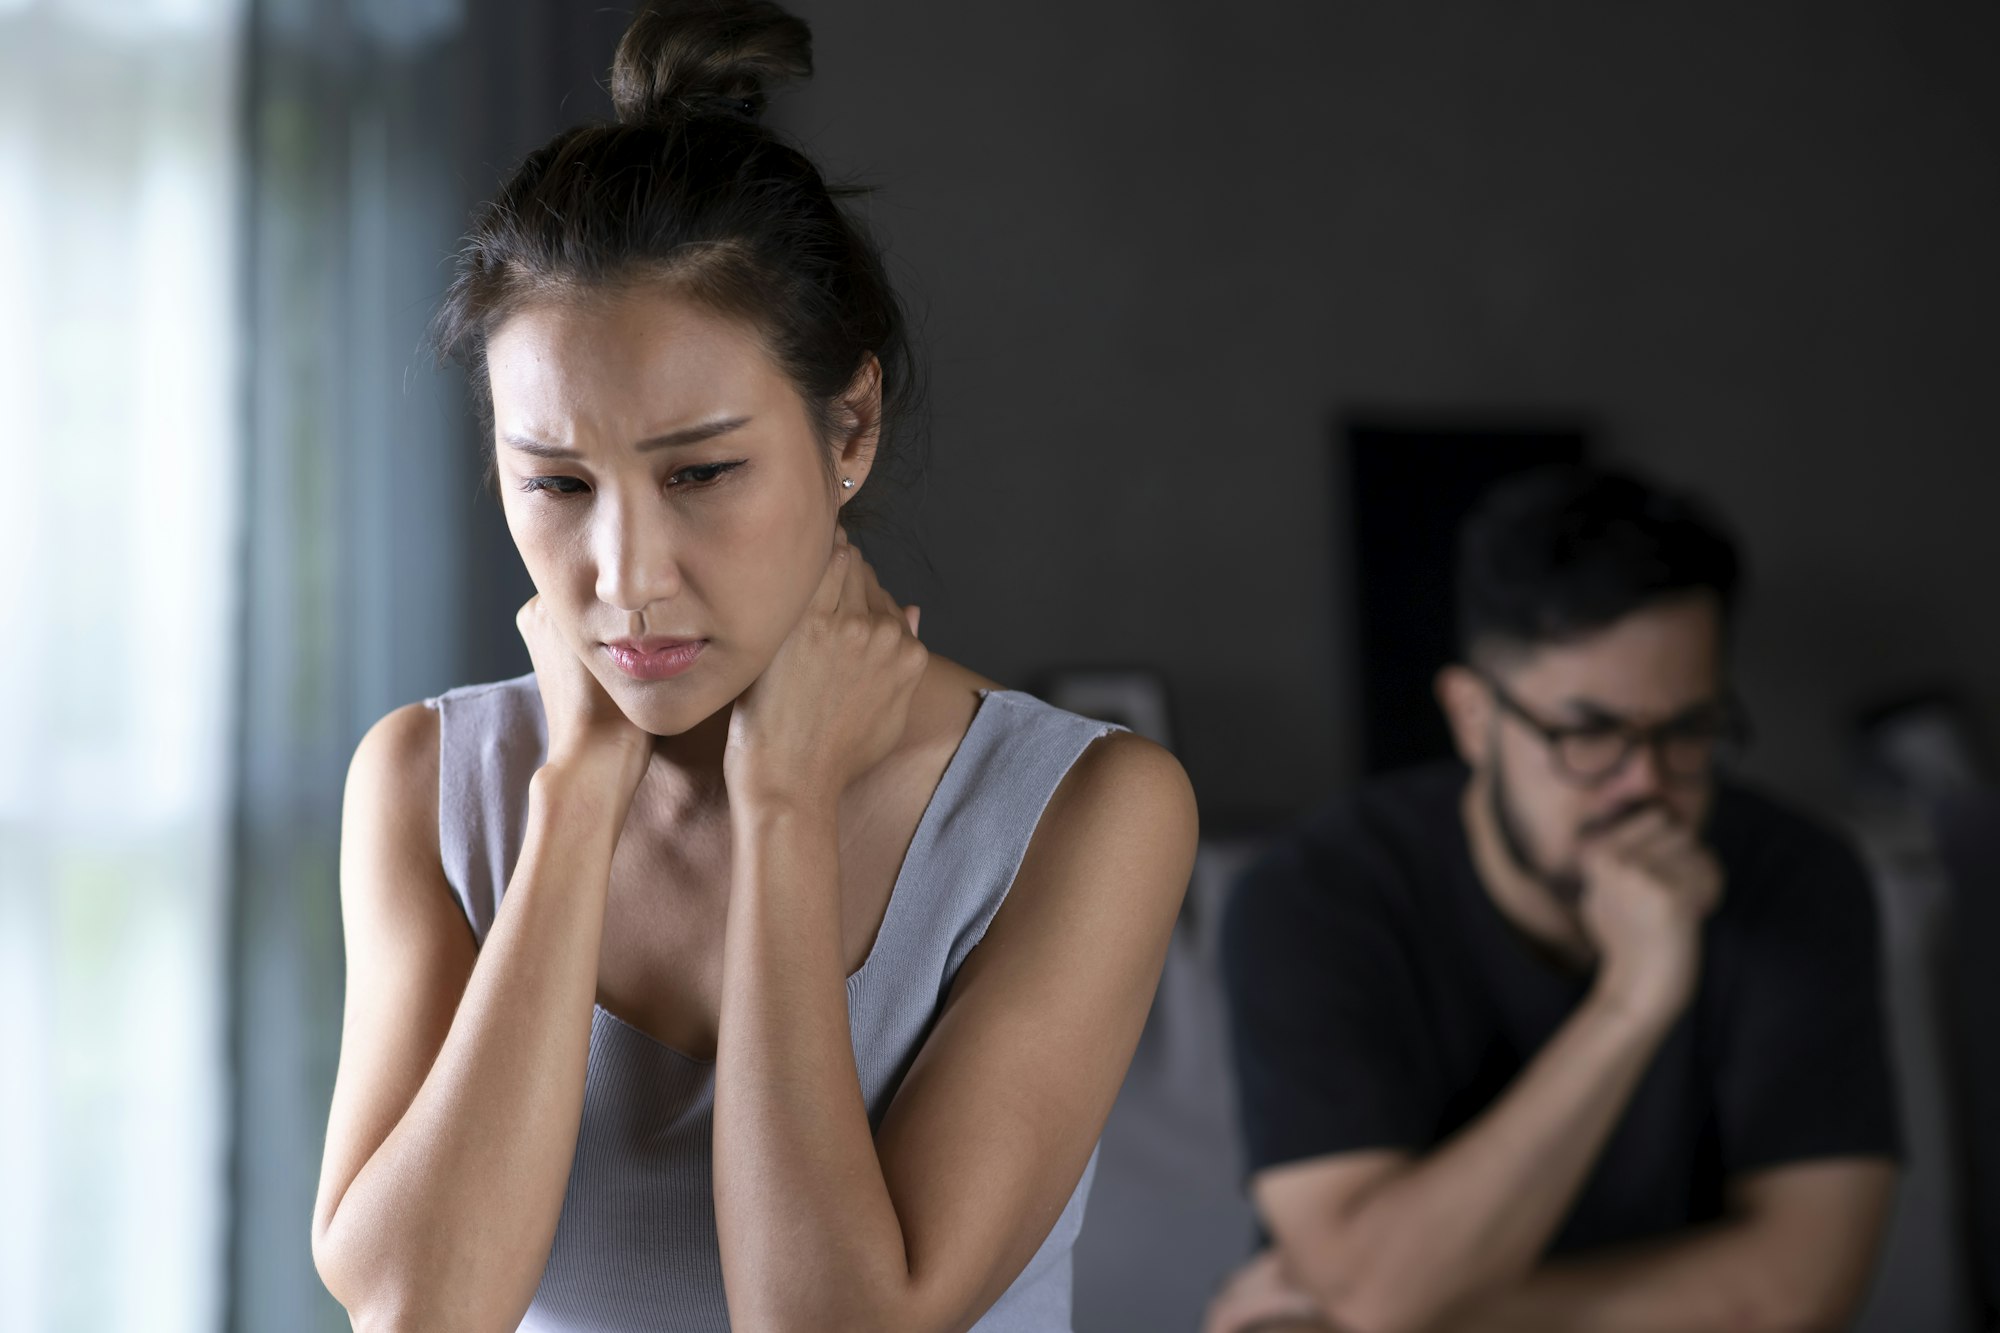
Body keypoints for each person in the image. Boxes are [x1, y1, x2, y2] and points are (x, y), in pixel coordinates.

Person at [307, 4, 1197, 1329]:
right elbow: (419, 1312)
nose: (625, 572)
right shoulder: (432, 785)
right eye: (555, 482)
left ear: (850, 426)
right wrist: (576, 796)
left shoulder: (1083, 814)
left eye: (702, 472)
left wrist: (784, 807)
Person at [1207, 467, 1899, 1333]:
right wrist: (1631, 1004)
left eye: (1688, 729)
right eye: (1589, 733)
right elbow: (1367, 1286)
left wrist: (1423, 1316)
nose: (1644, 783)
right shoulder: (1315, 898)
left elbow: (1799, 1291)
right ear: (1471, 716)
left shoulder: (1798, 879)